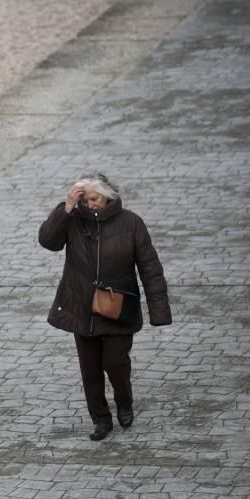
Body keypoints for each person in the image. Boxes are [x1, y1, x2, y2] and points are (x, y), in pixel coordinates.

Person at [38, 173, 171, 441]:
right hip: (82, 308)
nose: (90, 205)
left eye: (95, 198)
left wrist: (159, 310)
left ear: (108, 195)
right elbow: (48, 241)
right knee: (90, 370)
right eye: (84, 200)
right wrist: (66, 207)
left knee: (115, 362)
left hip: (118, 307)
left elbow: (150, 267)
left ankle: (124, 402)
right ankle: (100, 419)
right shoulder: (72, 220)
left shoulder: (131, 223)